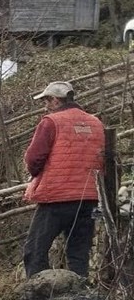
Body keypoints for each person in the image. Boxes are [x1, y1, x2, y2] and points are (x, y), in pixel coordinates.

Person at [21, 81, 106, 279]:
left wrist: (35, 174)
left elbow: (34, 158)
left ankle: (38, 298)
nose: (45, 106)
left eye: (46, 101)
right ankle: (80, 298)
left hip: (57, 197)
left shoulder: (51, 122)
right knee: (78, 254)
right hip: (89, 198)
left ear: (56, 100)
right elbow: (104, 158)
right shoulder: (96, 123)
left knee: (35, 251)